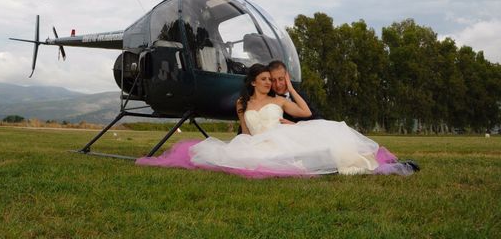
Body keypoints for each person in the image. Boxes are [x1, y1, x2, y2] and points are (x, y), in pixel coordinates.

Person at [137, 64, 415, 178]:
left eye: (271, 79)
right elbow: (245, 132)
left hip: (280, 136)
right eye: (266, 79)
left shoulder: (278, 101)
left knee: (319, 153)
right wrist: (240, 120)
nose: (270, 82)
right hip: (255, 141)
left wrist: (290, 89)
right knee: (230, 155)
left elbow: (305, 113)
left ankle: (390, 166)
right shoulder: (242, 103)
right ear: (254, 82)